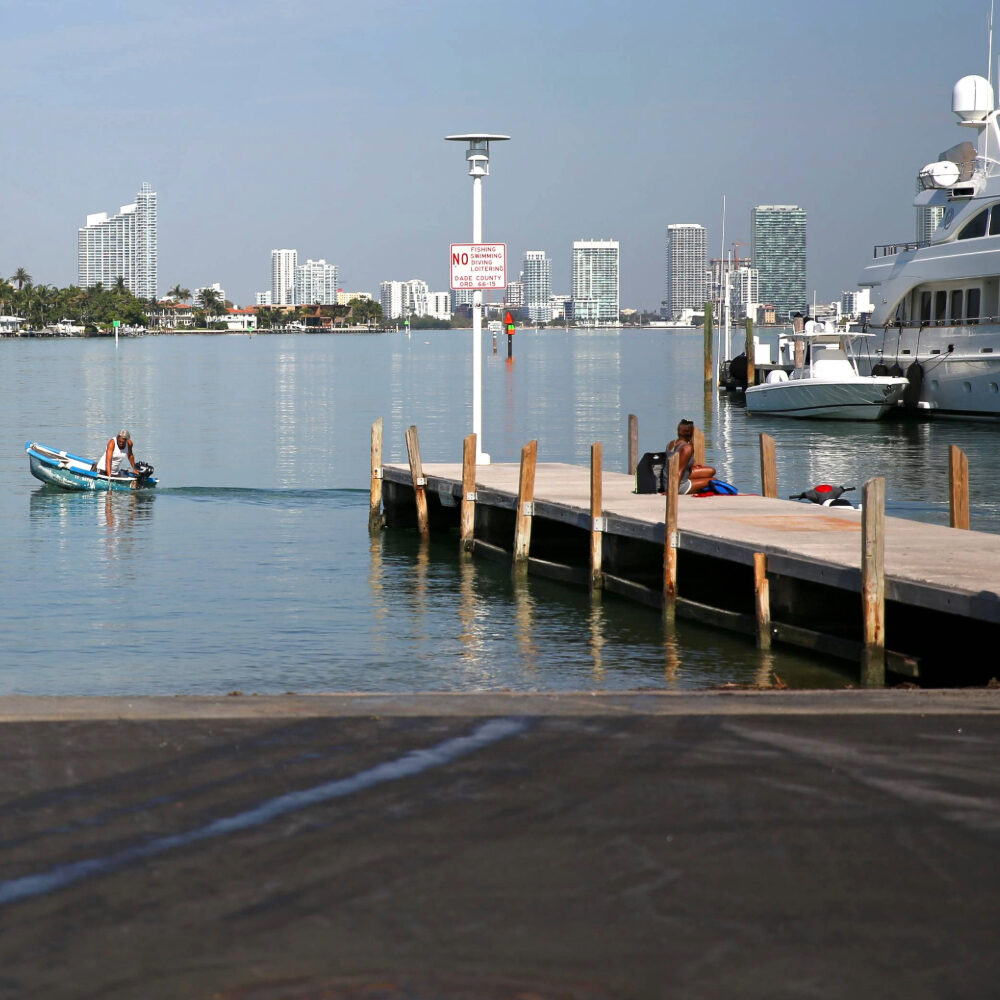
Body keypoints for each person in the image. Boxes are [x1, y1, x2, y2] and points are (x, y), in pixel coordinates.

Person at [666, 419, 715, 495]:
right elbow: (679, 471)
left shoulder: (671, 443)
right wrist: (672, 491)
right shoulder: (687, 448)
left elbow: (680, 461)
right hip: (679, 485)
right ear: (691, 433)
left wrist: (692, 463)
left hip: (667, 481)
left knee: (711, 471)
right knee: (713, 480)